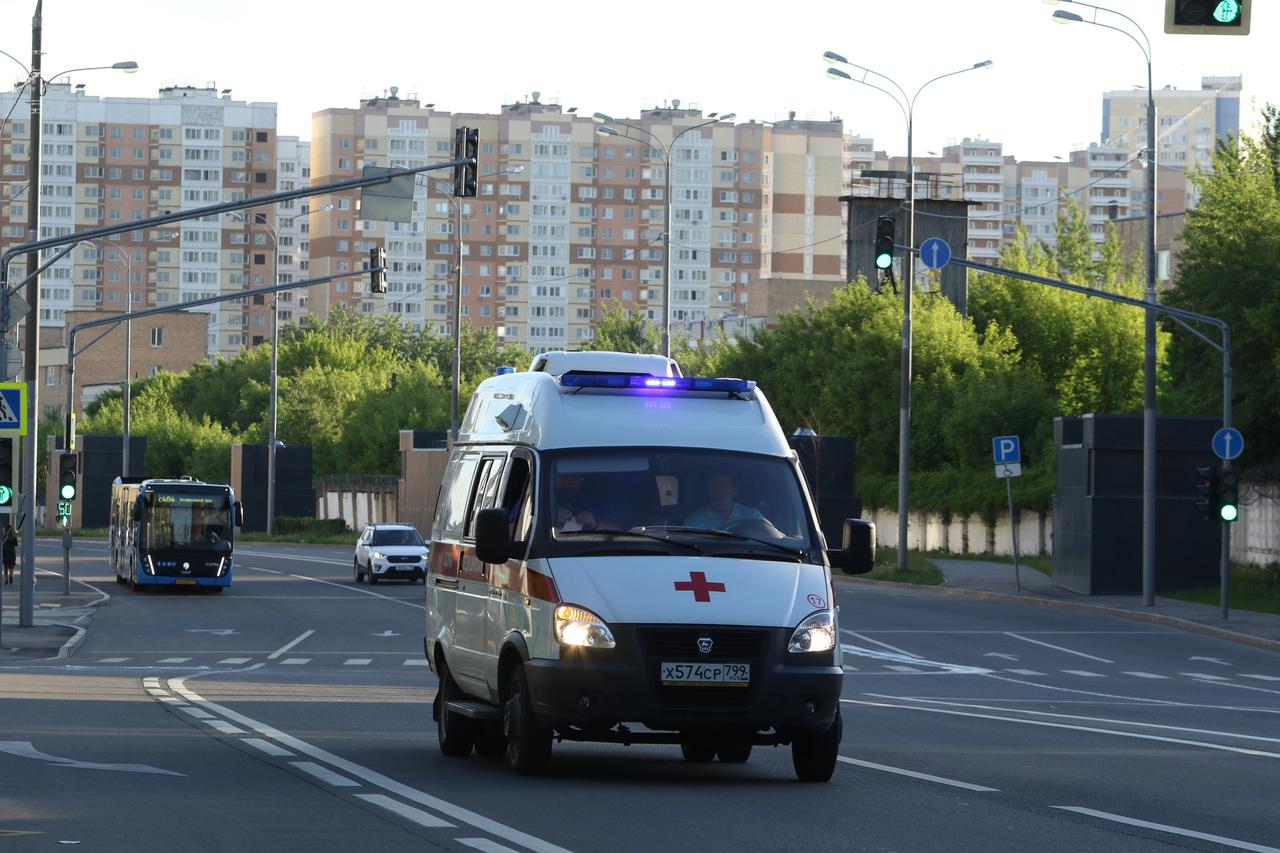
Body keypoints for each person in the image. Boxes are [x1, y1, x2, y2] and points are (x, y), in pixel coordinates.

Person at [683, 470, 764, 531]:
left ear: (734, 490)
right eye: (712, 486)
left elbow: (768, 540)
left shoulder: (753, 516)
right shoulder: (694, 521)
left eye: (722, 486)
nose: (716, 491)